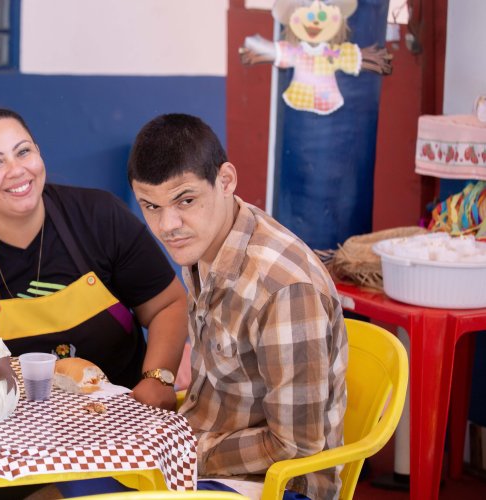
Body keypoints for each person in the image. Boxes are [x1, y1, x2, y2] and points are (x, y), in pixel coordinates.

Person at [0, 102, 188, 497]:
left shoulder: (100, 218)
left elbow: (168, 303)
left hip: (115, 435)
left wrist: (158, 378)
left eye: (24, 151)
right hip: (1, 449)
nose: (17, 170)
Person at [125, 113, 348, 499]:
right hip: (207, 456)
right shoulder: (206, 244)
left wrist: (184, 453)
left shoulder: (283, 288)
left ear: (225, 181)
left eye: (186, 200)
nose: (167, 225)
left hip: (281, 486)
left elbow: (296, 445)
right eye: (151, 206)